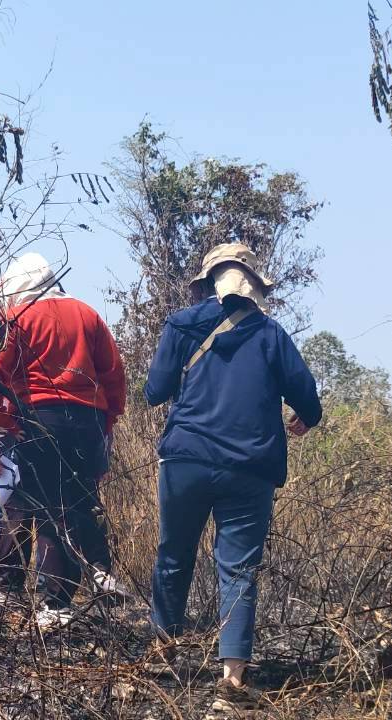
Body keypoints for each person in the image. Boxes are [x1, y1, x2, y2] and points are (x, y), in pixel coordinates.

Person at [143, 243, 322, 709]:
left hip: (186, 459)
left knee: (173, 554)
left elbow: (155, 390)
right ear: (253, 286)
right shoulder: (270, 333)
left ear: (206, 284)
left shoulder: (181, 324)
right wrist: (303, 417)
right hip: (250, 467)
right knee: (239, 569)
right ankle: (233, 678)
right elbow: (307, 397)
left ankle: (163, 650)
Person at [0, 252, 127, 629]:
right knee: (77, 503)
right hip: (89, 420)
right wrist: (106, 422)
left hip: (40, 418)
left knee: (44, 509)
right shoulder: (88, 314)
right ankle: (93, 573)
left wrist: (5, 420)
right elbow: (113, 373)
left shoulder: (17, 318)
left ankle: (54, 603)